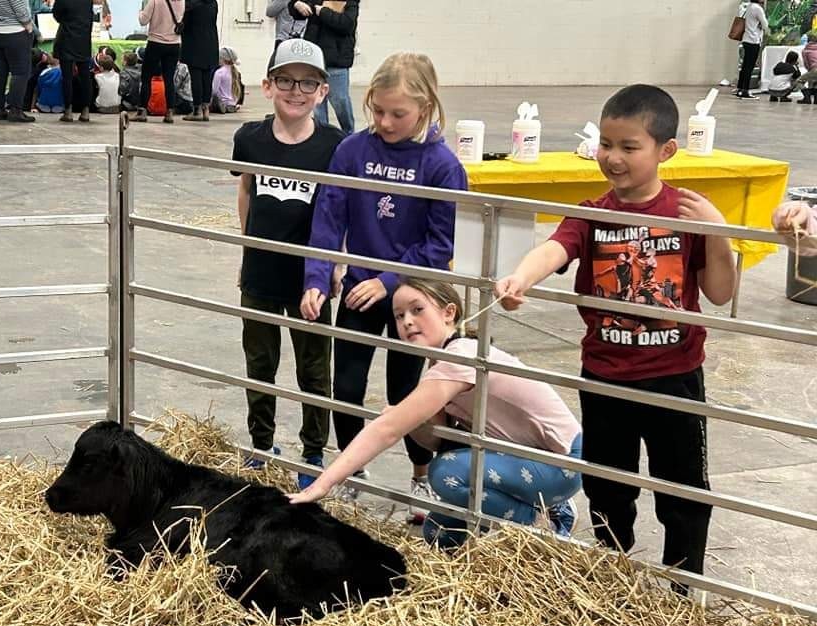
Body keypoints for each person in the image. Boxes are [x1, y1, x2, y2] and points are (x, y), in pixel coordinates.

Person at [493, 85, 737, 588]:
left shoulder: (687, 213)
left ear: (666, 150)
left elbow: (719, 292)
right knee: (607, 484)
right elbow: (554, 249)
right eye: (606, 144)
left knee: (683, 487)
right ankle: (612, 575)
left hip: (674, 376)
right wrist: (521, 277)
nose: (613, 157)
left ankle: (684, 585)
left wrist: (717, 233)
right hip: (605, 375)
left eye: (629, 147)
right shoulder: (591, 213)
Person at [299, 52, 468, 518]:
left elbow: (440, 245)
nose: (386, 122)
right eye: (378, 110)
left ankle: (423, 475)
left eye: (398, 114)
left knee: (407, 391)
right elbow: (328, 219)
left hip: (413, 296)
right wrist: (316, 277)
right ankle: (352, 470)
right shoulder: (353, 151)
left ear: (426, 108)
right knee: (346, 386)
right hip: (359, 289)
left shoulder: (442, 165)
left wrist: (389, 280)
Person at [290, 279, 582, 545]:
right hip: (524, 456)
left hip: (561, 460)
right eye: (399, 316)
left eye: (417, 310)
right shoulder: (441, 362)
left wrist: (321, 485)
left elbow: (386, 431)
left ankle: (544, 523)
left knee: (445, 473)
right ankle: (526, 511)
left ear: (448, 313)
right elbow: (435, 441)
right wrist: (410, 418)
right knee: (438, 533)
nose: (407, 321)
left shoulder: (460, 358)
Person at [232, 39, 345, 489]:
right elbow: (246, 189)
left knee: (314, 368)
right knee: (259, 362)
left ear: (323, 91)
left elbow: (341, 210)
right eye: (285, 80)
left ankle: (313, 451)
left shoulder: (335, 146)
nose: (295, 91)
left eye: (307, 83)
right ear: (267, 86)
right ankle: (262, 445)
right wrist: (246, 247)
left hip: (309, 280)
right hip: (260, 272)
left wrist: (335, 263)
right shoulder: (250, 138)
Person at [288, 0, 358, 132]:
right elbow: (297, 13)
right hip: (314, 58)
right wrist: (296, 4)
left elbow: (347, 24)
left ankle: (349, 133)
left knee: (340, 101)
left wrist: (323, 12)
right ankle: (321, 133)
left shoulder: (350, 2)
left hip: (337, 59)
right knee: (317, 102)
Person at [0, 0, 36, 122]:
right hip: (14, 31)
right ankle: (15, 111)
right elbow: (19, 7)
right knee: (20, 73)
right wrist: (29, 24)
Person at [133, 0, 184, 124]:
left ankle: (142, 111)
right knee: (169, 79)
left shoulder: (155, 1)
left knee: (146, 77)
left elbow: (143, 21)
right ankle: (169, 112)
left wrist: (141, 11)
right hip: (174, 44)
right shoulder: (182, 1)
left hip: (155, 43)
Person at [53, 0, 95, 122]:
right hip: (83, 39)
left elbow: (56, 15)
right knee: (85, 77)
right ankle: (86, 110)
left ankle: (68, 110)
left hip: (66, 38)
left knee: (67, 77)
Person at [181, 0, 219, 121]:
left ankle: (197, 110)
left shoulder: (191, 4)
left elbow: (185, 23)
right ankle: (206, 109)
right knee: (207, 77)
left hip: (194, 42)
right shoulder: (213, 3)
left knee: (196, 77)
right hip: (210, 42)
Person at [736, 0, 769, 100]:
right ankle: (745, 91)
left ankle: (740, 88)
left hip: (746, 39)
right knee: (749, 67)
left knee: (745, 66)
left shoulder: (750, 6)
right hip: (754, 40)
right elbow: (765, 25)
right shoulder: (758, 9)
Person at [211, 47, 244, 114]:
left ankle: (221, 107)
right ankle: (232, 107)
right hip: (232, 104)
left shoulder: (219, 72)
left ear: (222, 59)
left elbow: (214, 91)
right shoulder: (236, 72)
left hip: (222, 102)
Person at [794, 29, 817, 104]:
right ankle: (816, 99)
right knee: (815, 83)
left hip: (814, 69)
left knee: (799, 81)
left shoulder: (805, 50)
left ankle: (807, 97)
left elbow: (806, 64)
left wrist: (810, 72)